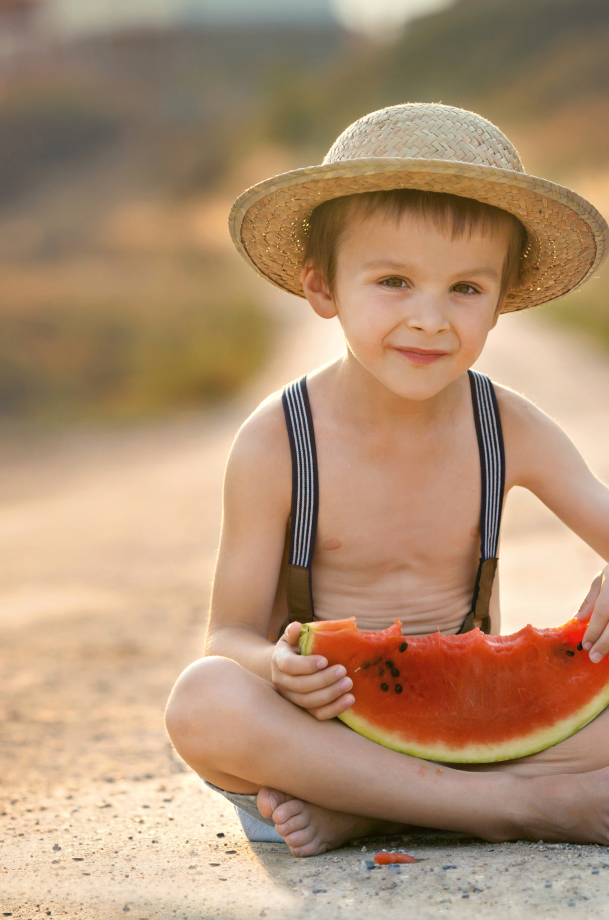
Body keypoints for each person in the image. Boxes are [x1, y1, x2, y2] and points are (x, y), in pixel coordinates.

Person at [165, 102, 609, 857]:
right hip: (320, 735)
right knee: (202, 700)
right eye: (395, 281)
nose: (431, 320)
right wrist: (274, 664)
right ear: (323, 289)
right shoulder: (279, 441)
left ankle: (379, 813)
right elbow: (229, 634)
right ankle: (514, 810)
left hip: (480, 732)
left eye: (466, 289)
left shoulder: (508, 425)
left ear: (501, 304)